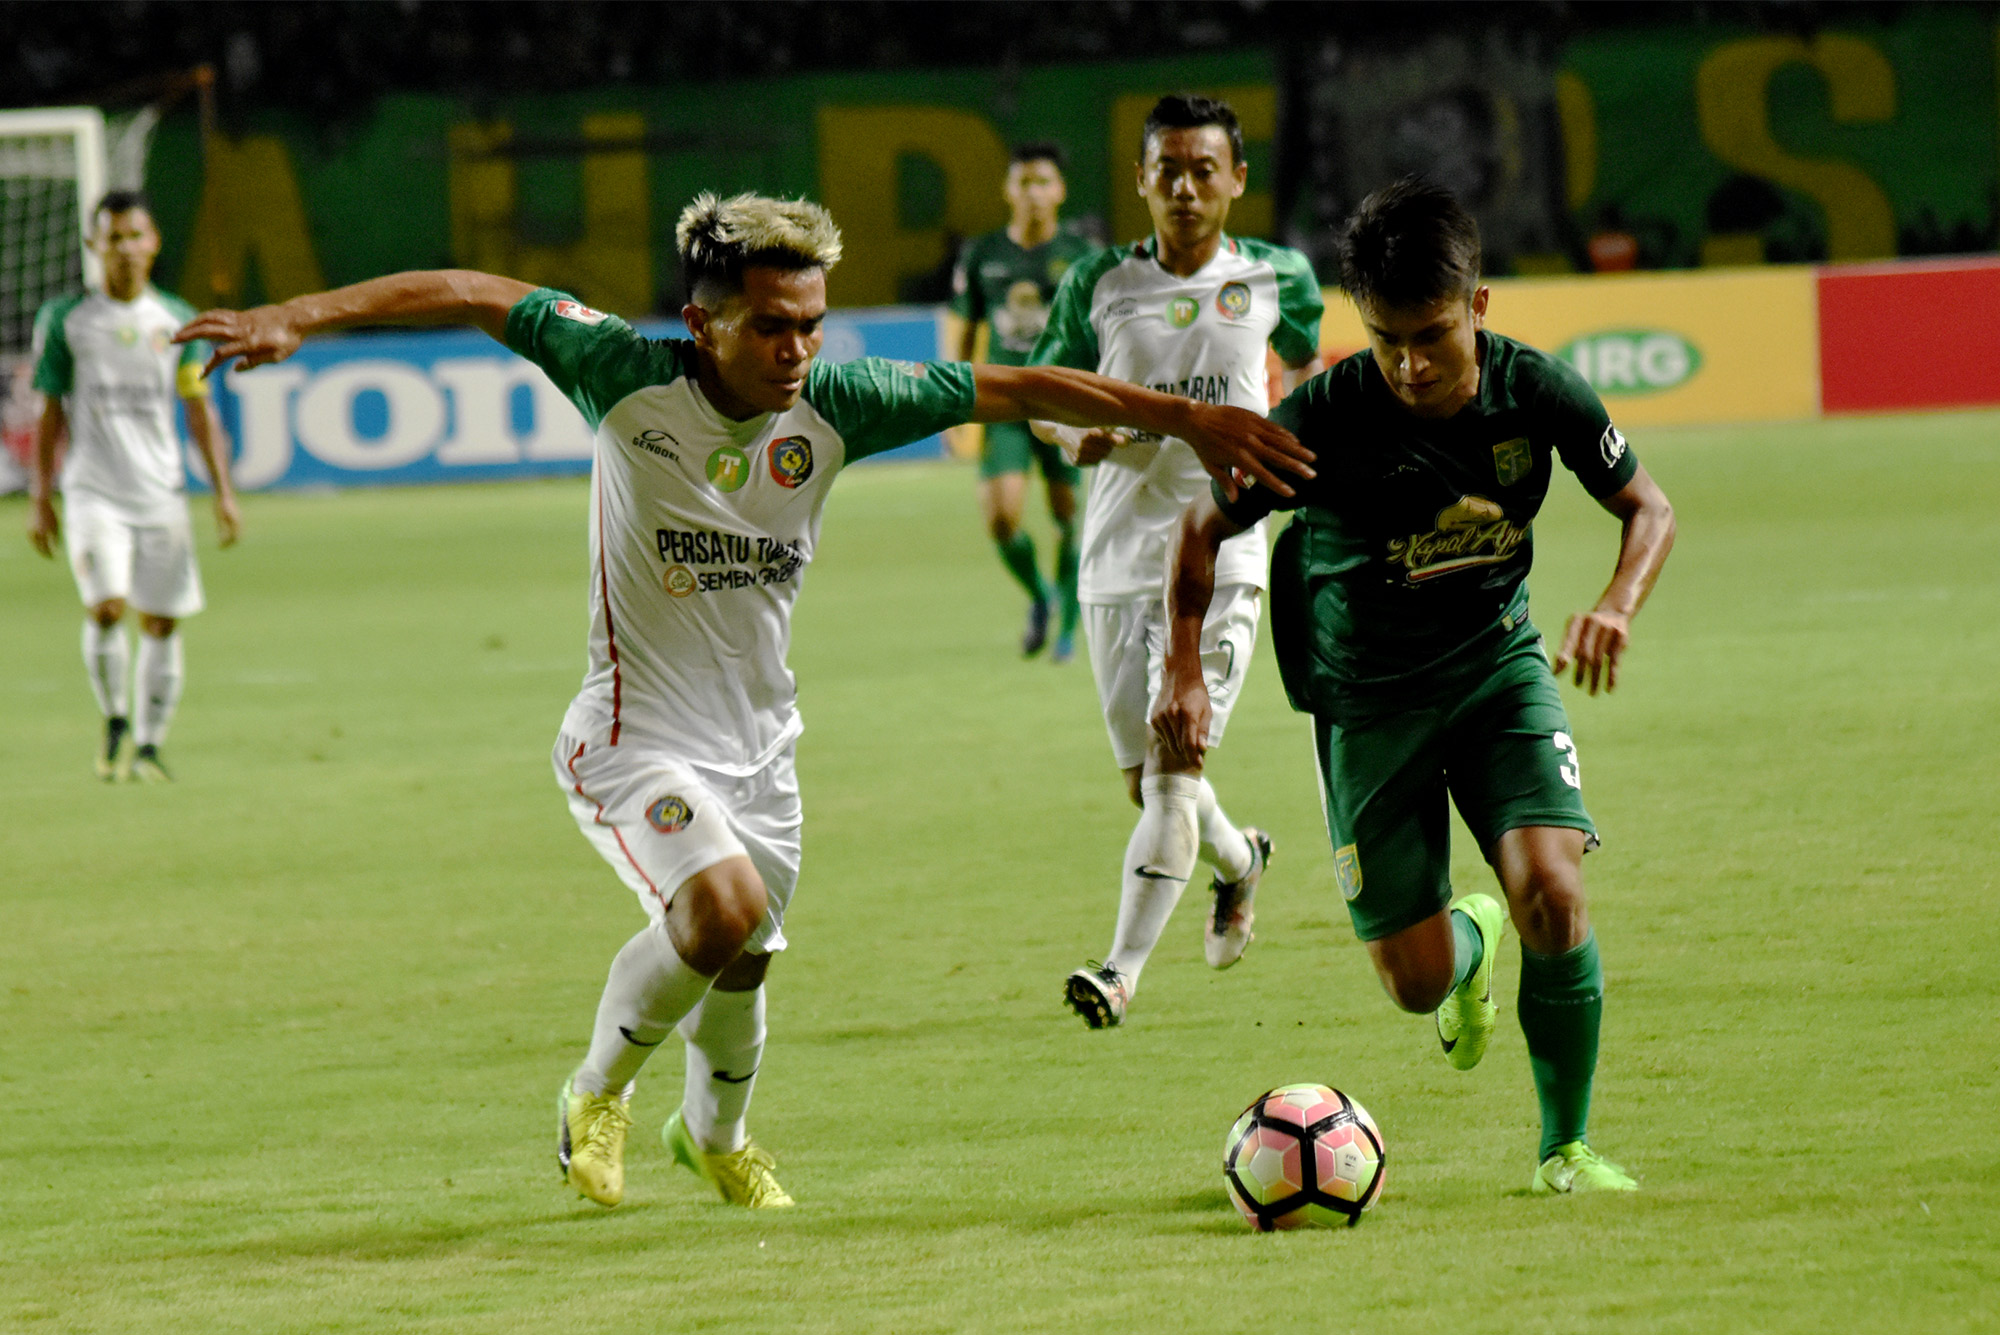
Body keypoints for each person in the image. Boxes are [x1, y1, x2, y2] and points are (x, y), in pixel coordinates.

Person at [178, 192, 1312, 1211]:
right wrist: (300, 313)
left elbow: (1011, 387)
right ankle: (592, 1096)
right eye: (771, 324)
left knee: (747, 956)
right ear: (704, 317)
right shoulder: (620, 374)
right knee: (716, 916)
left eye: (811, 323)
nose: (797, 349)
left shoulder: (839, 402)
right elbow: (474, 289)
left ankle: (712, 1137)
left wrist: (1189, 418)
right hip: (630, 740)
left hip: (762, 748)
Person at [1151, 178, 1676, 1194]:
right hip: (1367, 701)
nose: (1407, 363)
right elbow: (1199, 534)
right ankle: (1467, 945)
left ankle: (1562, 1150)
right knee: (1414, 982)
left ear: (1475, 305)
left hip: (1494, 669)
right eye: (1385, 338)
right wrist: (1181, 675)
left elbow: (1645, 507)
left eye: (1430, 335)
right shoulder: (1320, 419)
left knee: (1555, 896)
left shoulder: (1537, 393)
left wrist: (1614, 604)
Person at [1027, 95, 1324, 1028]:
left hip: (1227, 550)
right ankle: (1240, 862)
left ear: (1237, 178)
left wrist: (1285, 451)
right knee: (1147, 784)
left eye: (1206, 170)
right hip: (1116, 555)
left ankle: (1119, 971)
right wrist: (1069, 434)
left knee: (1172, 771)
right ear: (1142, 180)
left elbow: (1312, 377)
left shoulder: (1281, 278)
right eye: (1169, 171)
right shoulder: (1098, 285)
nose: (1186, 188)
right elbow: (1042, 395)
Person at [27, 189, 240, 783]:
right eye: (112, 237)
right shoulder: (67, 319)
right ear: (94, 244)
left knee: (162, 622)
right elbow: (50, 414)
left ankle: (148, 744)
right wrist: (41, 499)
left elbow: (198, 410)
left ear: (154, 243)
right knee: (107, 606)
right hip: (94, 493)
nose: (123, 248)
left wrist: (223, 491)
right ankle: (114, 714)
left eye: (134, 235)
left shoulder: (176, 319)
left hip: (161, 494)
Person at [940, 143, 1098, 661]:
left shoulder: (1081, 255)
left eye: (1042, 181)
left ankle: (1070, 633)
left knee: (1068, 518)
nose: (1032, 192)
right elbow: (965, 332)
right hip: (1005, 404)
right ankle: (1042, 596)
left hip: (1065, 402)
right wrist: (952, 402)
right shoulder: (983, 254)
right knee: (1002, 520)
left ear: (1060, 191)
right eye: (1023, 182)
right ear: (1008, 190)